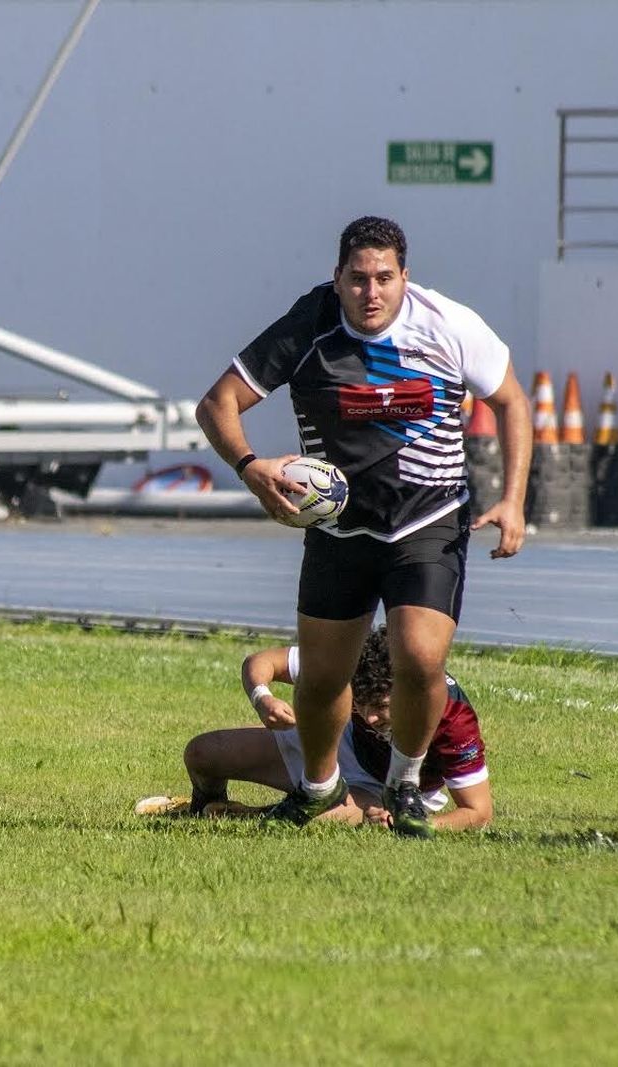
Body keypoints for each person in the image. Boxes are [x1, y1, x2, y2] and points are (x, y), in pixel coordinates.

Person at [195, 216, 529, 837]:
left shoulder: (449, 325)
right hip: (340, 529)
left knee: (420, 656)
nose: (370, 293)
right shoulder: (308, 324)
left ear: (405, 276)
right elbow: (216, 404)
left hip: (426, 521)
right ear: (337, 278)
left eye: (384, 278)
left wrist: (513, 500)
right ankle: (319, 790)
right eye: (357, 279)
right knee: (322, 679)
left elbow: (510, 400)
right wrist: (252, 469)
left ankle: (405, 784)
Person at [135, 626, 492, 829]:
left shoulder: (452, 716)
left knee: (326, 819)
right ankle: (202, 808)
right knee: (203, 753)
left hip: (394, 791)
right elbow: (261, 662)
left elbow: (478, 812)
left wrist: (417, 824)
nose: (369, 718)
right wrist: (264, 699)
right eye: (360, 704)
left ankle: (247, 817)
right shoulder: (349, 664)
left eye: (381, 707)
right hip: (336, 747)